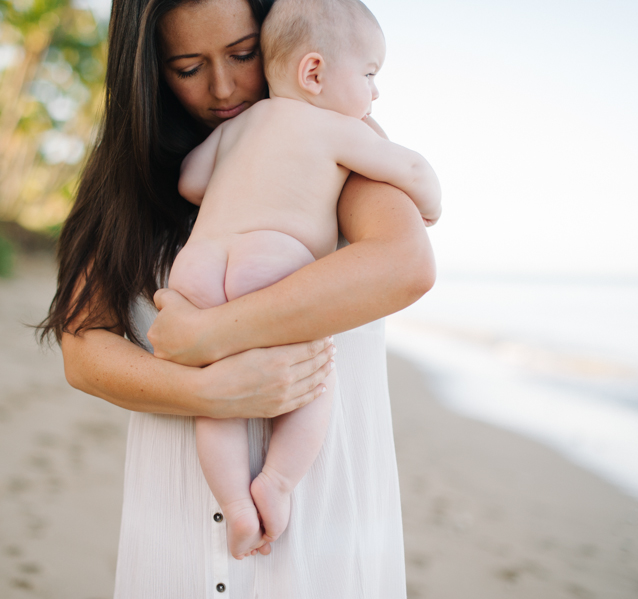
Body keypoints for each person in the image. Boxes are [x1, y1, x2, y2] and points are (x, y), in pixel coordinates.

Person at [40, 0, 436, 595]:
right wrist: (204, 389)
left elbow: (404, 264)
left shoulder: (341, 140)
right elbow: (81, 350)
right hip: (173, 522)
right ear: (150, 69)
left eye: (244, 54)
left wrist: (209, 336)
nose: (223, 87)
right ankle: (267, 484)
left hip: (320, 524)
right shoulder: (133, 178)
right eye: (187, 66)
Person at [169, 0, 441, 560]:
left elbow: (191, 182)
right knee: (314, 370)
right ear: (314, 73)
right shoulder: (338, 130)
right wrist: (431, 204)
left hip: (197, 264)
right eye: (369, 74)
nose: (375, 93)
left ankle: (234, 504)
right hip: (273, 260)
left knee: (214, 391)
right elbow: (409, 170)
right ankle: (275, 484)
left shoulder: (243, 124)